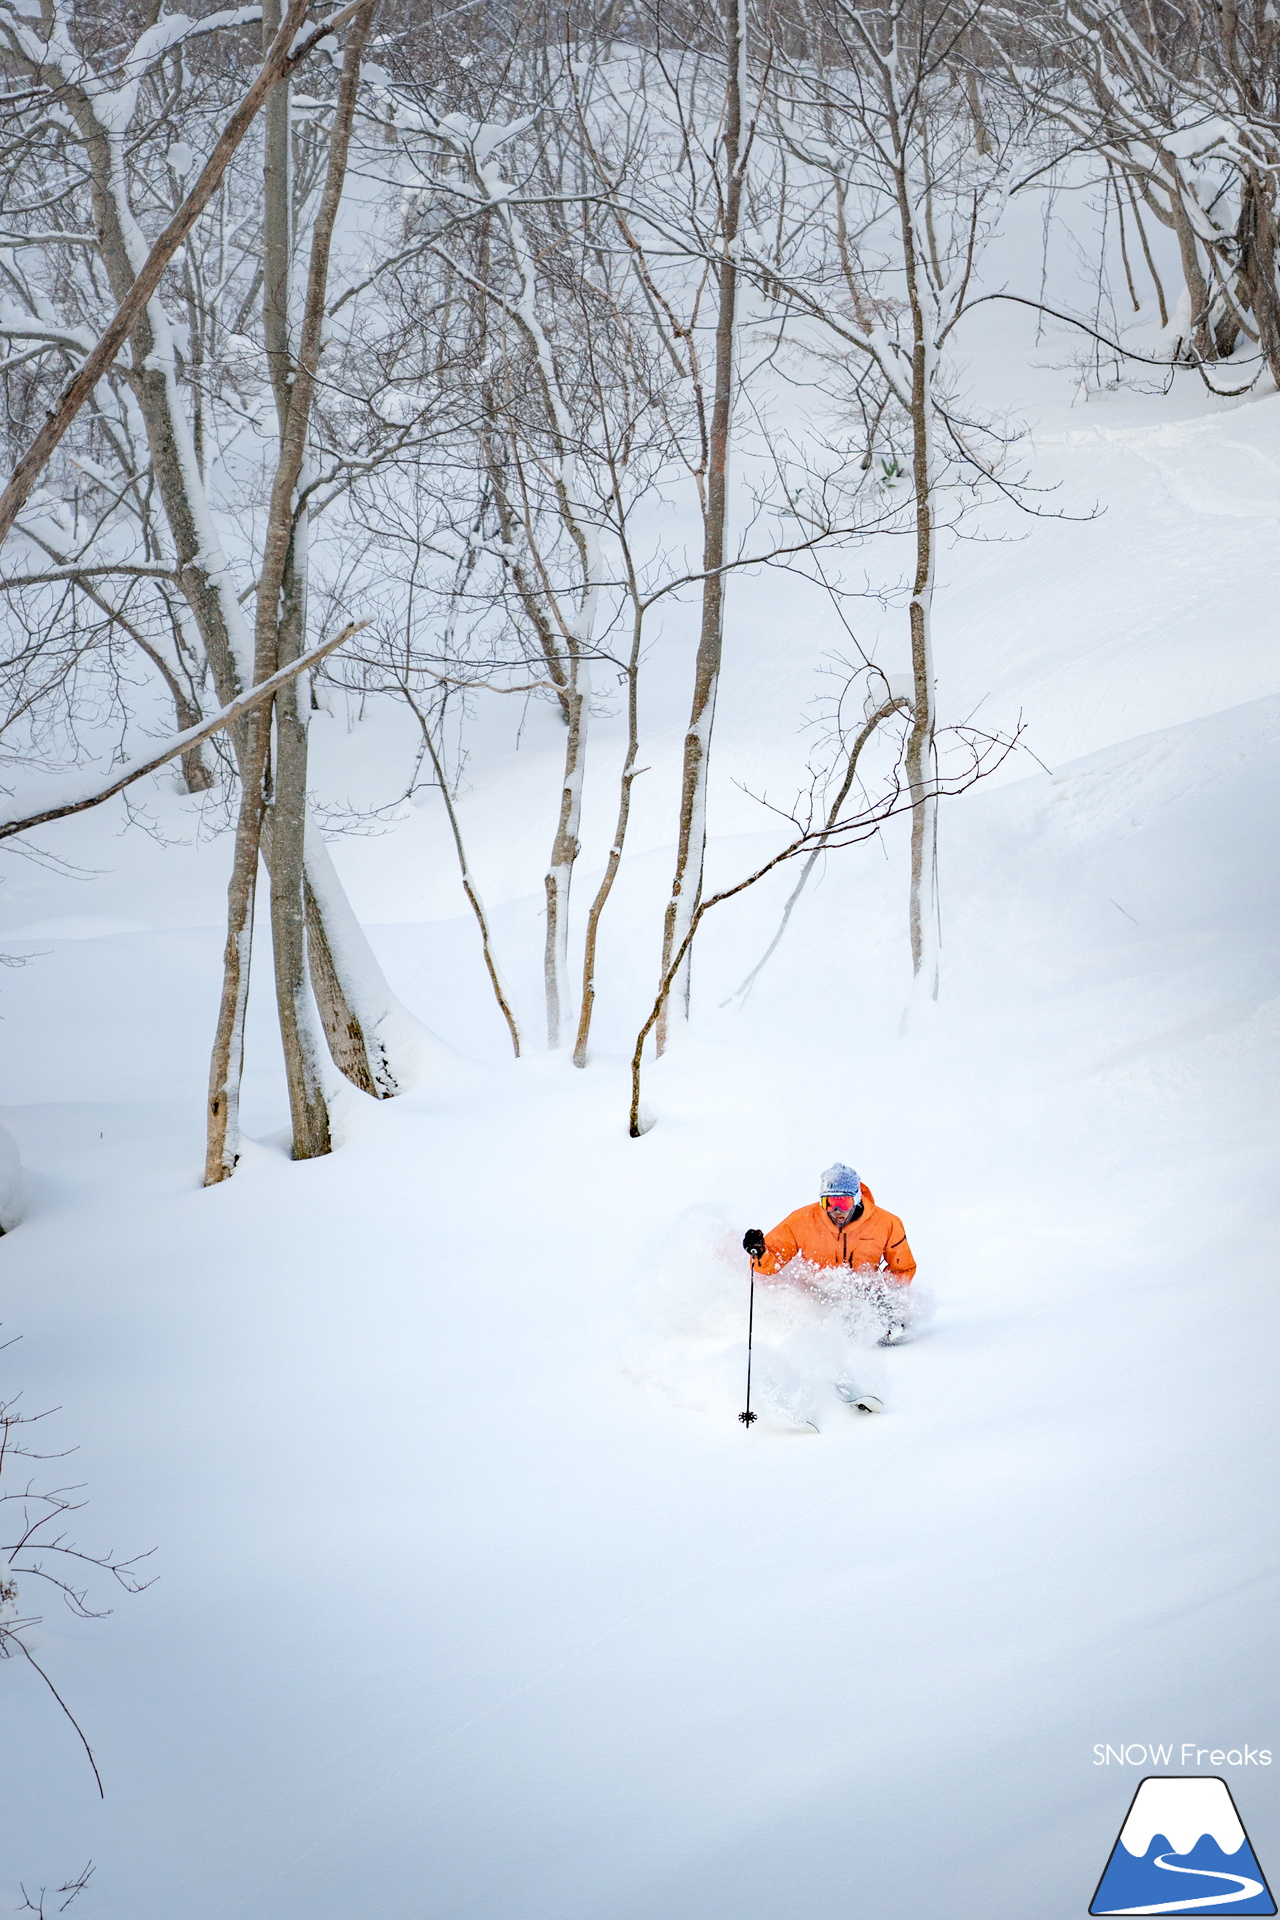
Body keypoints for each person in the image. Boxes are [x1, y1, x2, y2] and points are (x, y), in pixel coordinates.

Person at [742, 1162, 916, 1379]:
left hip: (861, 1296)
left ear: (857, 1198)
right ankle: (817, 1369)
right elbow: (771, 1261)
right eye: (829, 1202)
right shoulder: (802, 1220)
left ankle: (867, 1364)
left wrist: (886, 1296)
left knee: (885, 1326)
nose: (836, 1210)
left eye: (843, 1202)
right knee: (818, 1326)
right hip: (818, 1295)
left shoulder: (886, 1223)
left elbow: (903, 1268)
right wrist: (759, 1252)